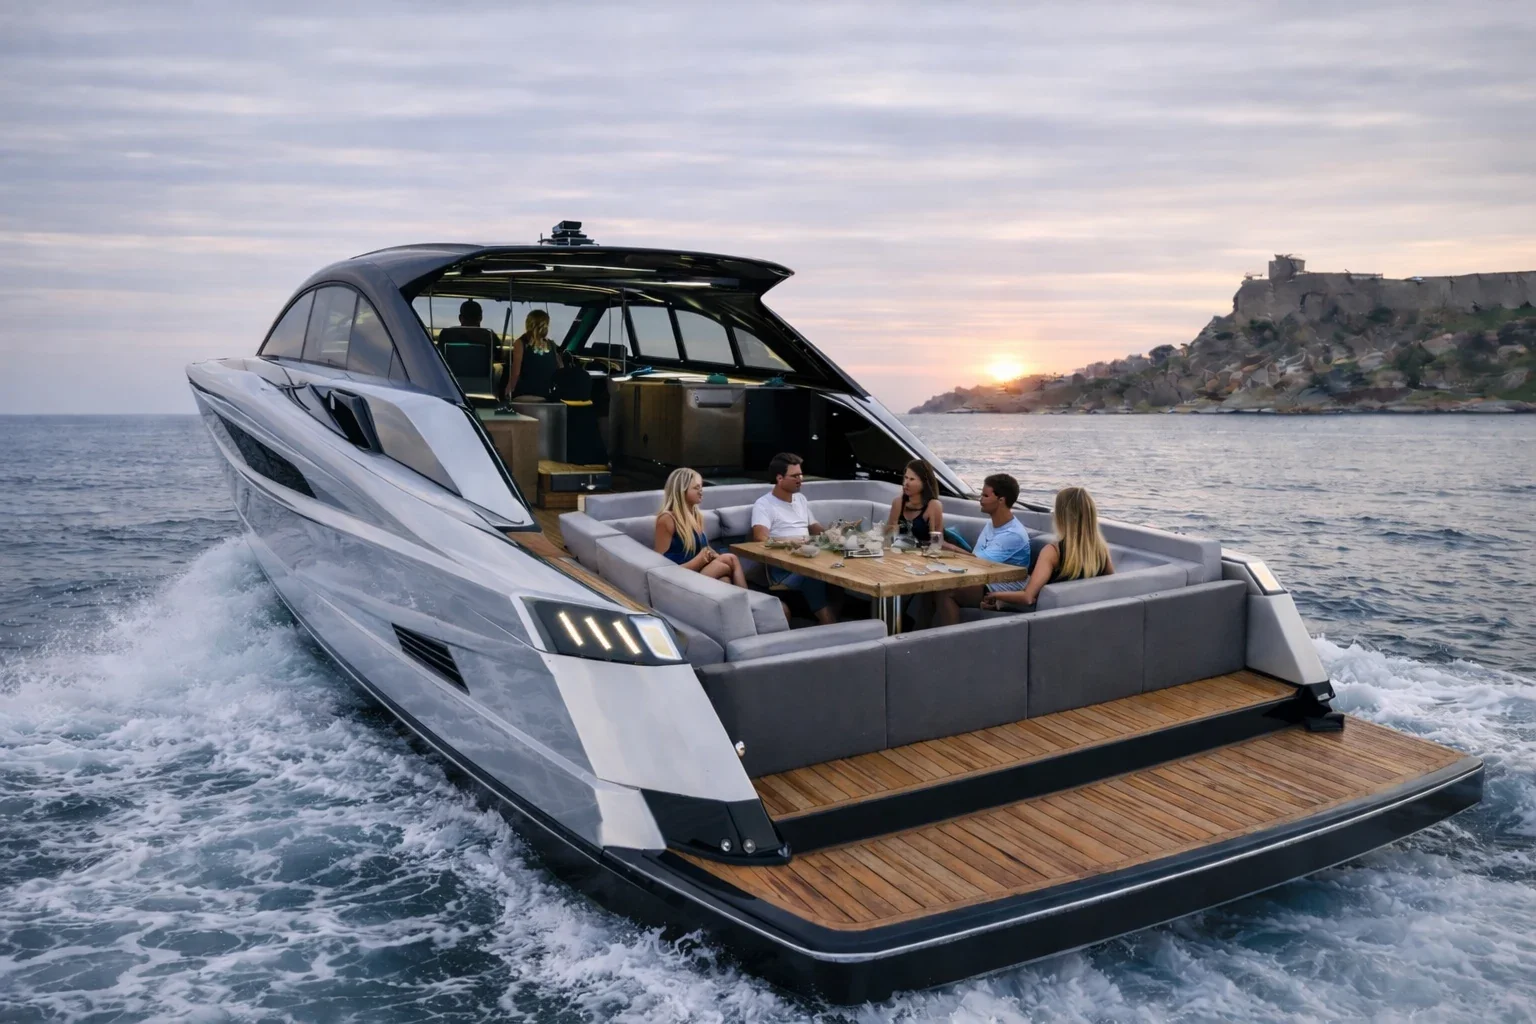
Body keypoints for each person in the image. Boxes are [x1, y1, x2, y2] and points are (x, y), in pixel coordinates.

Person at [982, 485, 1114, 611]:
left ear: (1061, 516)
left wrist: (996, 595)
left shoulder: (1053, 552)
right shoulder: (1101, 551)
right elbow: (1111, 584)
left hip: (1043, 613)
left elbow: (1028, 597)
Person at [932, 472, 1031, 626]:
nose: (980, 500)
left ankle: (950, 644)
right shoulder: (991, 525)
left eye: (985, 496)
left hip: (999, 589)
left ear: (1001, 500)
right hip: (985, 578)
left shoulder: (1013, 534)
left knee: (946, 590)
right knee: (930, 585)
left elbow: (977, 563)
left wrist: (948, 546)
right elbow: (975, 559)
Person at [750, 452, 837, 624]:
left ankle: (836, 624)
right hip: (783, 568)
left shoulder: (801, 499)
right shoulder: (764, 504)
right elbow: (760, 539)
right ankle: (831, 625)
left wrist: (834, 532)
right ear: (779, 478)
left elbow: (814, 527)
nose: (800, 479)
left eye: (801, 474)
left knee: (839, 570)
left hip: (810, 557)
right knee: (815, 574)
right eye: (795, 476)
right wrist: (791, 542)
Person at [654, 468, 746, 588]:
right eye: (696, 488)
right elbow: (660, 569)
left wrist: (712, 555)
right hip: (678, 578)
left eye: (701, 487)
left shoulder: (696, 515)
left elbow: (704, 548)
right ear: (681, 491)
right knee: (726, 564)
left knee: (725, 574)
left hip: (698, 571)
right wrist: (699, 561)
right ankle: (751, 601)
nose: (701, 491)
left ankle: (744, 602)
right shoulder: (667, 519)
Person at [502, 309, 562, 403]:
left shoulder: (521, 343)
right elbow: (560, 369)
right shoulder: (552, 345)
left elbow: (515, 374)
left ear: (528, 323)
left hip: (524, 393)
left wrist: (507, 391)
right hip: (546, 395)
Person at [886, 459, 944, 547]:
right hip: (898, 555)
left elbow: (936, 543)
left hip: (923, 556)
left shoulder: (934, 505)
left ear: (924, 483)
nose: (906, 483)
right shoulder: (898, 503)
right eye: (905, 478)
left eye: (912, 479)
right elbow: (888, 538)